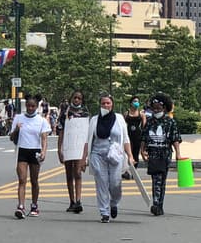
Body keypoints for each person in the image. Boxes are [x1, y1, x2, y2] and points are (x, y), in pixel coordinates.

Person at [88, 92, 133, 223]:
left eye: (108, 103)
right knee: (101, 183)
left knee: (115, 183)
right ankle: (104, 212)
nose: (106, 105)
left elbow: (125, 138)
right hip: (98, 154)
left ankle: (114, 203)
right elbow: (88, 140)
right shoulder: (94, 120)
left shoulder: (119, 119)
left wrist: (130, 155)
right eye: (103, 103)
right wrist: (84, 158)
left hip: (115, 154)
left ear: (112, 104)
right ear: (100, 105)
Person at [9, 95, 51, 219]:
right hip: (22, 150)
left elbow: (44, 138)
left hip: (35, 151)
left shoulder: (41, 120)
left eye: (33, 106)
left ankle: (34, 205)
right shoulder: (18, 118)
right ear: (25, 106)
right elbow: (11, 137)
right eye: (28, 106)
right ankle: (21, 206)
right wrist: (16, 129)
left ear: (37, 106)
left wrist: (43, 152)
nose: (30, 108)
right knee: (22, 180)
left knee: (34, 180)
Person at [141, 93, 183, 216]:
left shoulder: (170, 122)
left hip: (165, 153)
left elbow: (175, 139)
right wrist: (142, 151)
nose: (156, 110)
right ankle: (155, 203)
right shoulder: (149, 121)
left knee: (162, 179)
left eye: (159, 107)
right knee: (156, 178)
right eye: (154, 107)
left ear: (164, 108)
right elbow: (144, 137)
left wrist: (178, 154)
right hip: (153, 153)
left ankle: (159, 204)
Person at [56, 90, 90, 214]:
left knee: (78, 172)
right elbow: (61, 130)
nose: (76, 100)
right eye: (75, 98)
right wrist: (59, 149)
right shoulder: (66, 111)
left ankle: (78, 200)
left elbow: (87, 132)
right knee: (69, 174)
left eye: (79, 98)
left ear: (82, 100)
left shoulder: (85, 112)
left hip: (80, 146)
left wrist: (86, 152)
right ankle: (71, 201)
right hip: (68, 145)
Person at [124, 96, 144, 180]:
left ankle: (134, 172)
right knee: (128, 153)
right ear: (131, 103)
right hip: (128, 135)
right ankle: (125, 171)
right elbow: (123, 125)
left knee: (135, 153)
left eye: (138, 101)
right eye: (135, 101)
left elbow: (144, 125)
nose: (137, 103)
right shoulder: (126, 113)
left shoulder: (141, 114)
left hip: (137, 135)